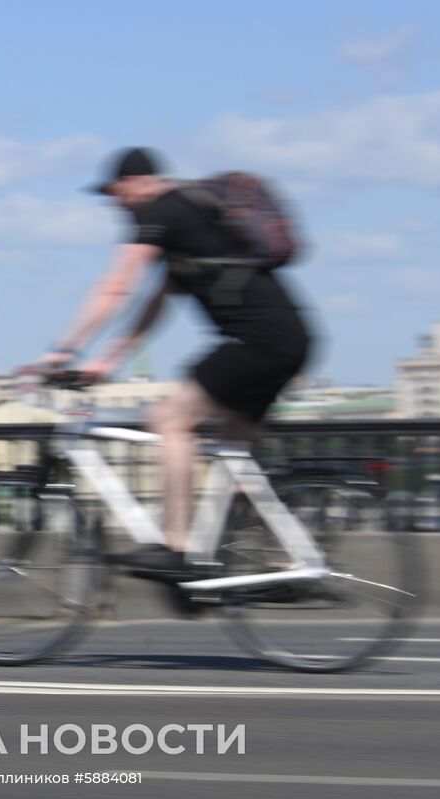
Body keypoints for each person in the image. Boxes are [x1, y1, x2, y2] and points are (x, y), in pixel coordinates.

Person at [41, 147, 313, 579]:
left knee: (168, 419)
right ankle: (287, 562)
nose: (117, 205)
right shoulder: (190, 219)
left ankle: (179, 548)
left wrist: (65, 350)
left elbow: (117, 286)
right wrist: (108, 359)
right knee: (234, 453)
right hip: (287, 340)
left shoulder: (165, 210)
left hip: (259, 343)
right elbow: (155, 303)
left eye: (117, 194)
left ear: (136, 183)